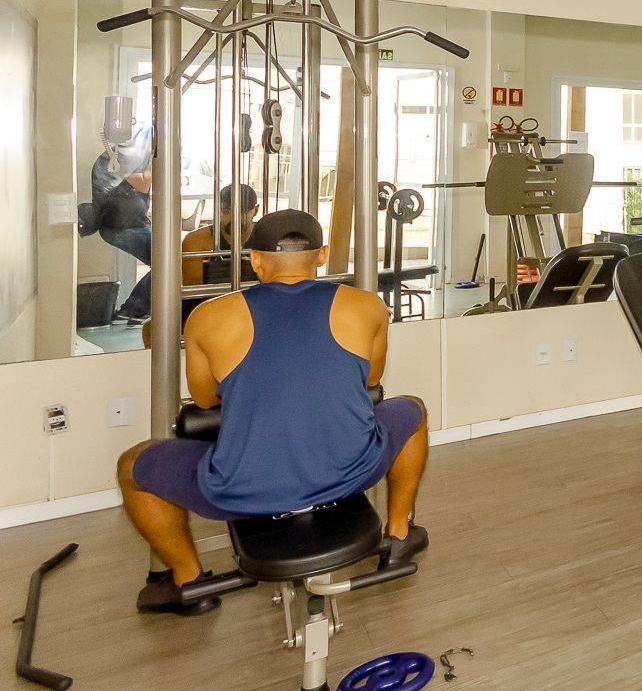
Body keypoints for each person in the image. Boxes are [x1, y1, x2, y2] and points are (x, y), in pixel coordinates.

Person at [116, 209, 430, 615]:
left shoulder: (207, 317)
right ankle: (400, 534)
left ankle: (189, 581)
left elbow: (206, 400)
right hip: (353, 469)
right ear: (322, 255)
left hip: (242, 488)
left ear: (255, 260)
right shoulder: (368, 306)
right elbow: (371, 379)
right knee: (413, 411)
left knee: (132, 467)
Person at [79, 123, 155, 322]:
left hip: (133, 224)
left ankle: (135, 308)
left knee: (168, 262)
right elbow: (144, 182)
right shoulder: (117, 158)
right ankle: (133, 309)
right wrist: (157, 157)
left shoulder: (129, 157)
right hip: (121, 227)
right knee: (167, 262)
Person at [181, 183, 260, 287]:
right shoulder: (196, 242)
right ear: (218, 210)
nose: (234, 217)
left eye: (242, 211)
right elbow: (193, 289)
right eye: (227, 211)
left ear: (255, 211)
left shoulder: (267, 238)